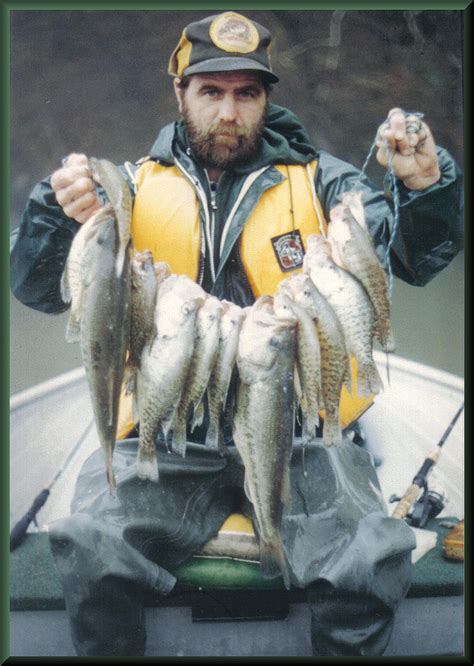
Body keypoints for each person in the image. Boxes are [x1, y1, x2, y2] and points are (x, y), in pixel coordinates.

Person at [10, 11, 463, 658]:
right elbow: (33, 288)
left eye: (247, 94)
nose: (230, 112)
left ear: (266, 98)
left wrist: (425, 185)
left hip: (305, 427)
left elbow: (415, 257)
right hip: (170, 435)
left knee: (370, 556)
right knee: (88, 540)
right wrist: (55, 214)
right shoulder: (130, 187)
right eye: (212, 91)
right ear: (180, 92)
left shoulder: (326, 180)